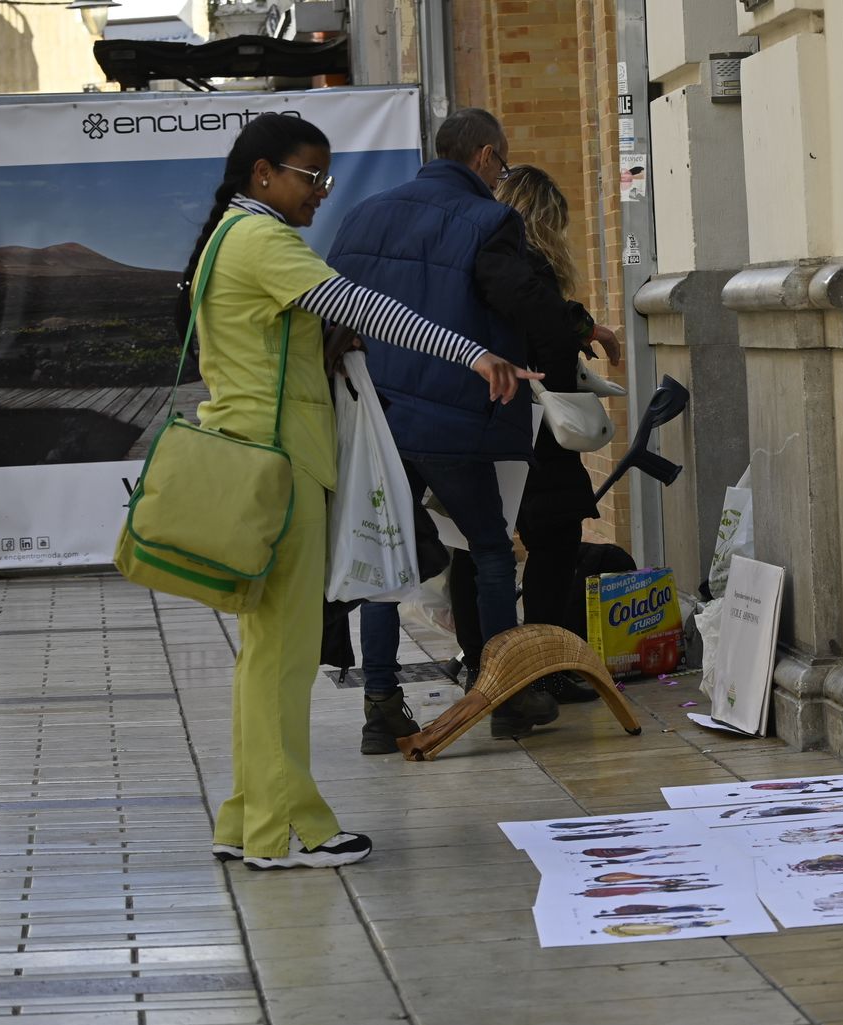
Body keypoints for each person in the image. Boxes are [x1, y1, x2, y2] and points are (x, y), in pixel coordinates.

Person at [182, 114, 531, 869]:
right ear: (264, 174)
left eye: (326, 178)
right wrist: (474, 355)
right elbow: (368, 308)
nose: (321, 193)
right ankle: (286, 830)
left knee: (266, 655)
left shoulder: (229, 238)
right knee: (283, 656)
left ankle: (248, 821)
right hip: (282, 468)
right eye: (311, 178)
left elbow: (297, 340)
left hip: (259, 461)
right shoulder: (262, 239)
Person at [325, 109, 594, 752]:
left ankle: (380, 704)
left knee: (385, 558)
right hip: (454, 415)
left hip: (378, 417)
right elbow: (524, 301)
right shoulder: (489, 220)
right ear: (483, 156)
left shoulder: (363, 215)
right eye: (501, 163)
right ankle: (504, 692)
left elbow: (333, 306)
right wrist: (567, 346)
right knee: (491, 550)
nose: (501, 175)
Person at [489, 164, 620, 706]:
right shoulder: (531, 266)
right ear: (545, 218)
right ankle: (541, 670)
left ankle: (489, 669)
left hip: (496, 418)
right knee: (553, 545)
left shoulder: (491, 260)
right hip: (538, 425)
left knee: (489, 549)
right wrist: (579, 338)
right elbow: (549, 338)